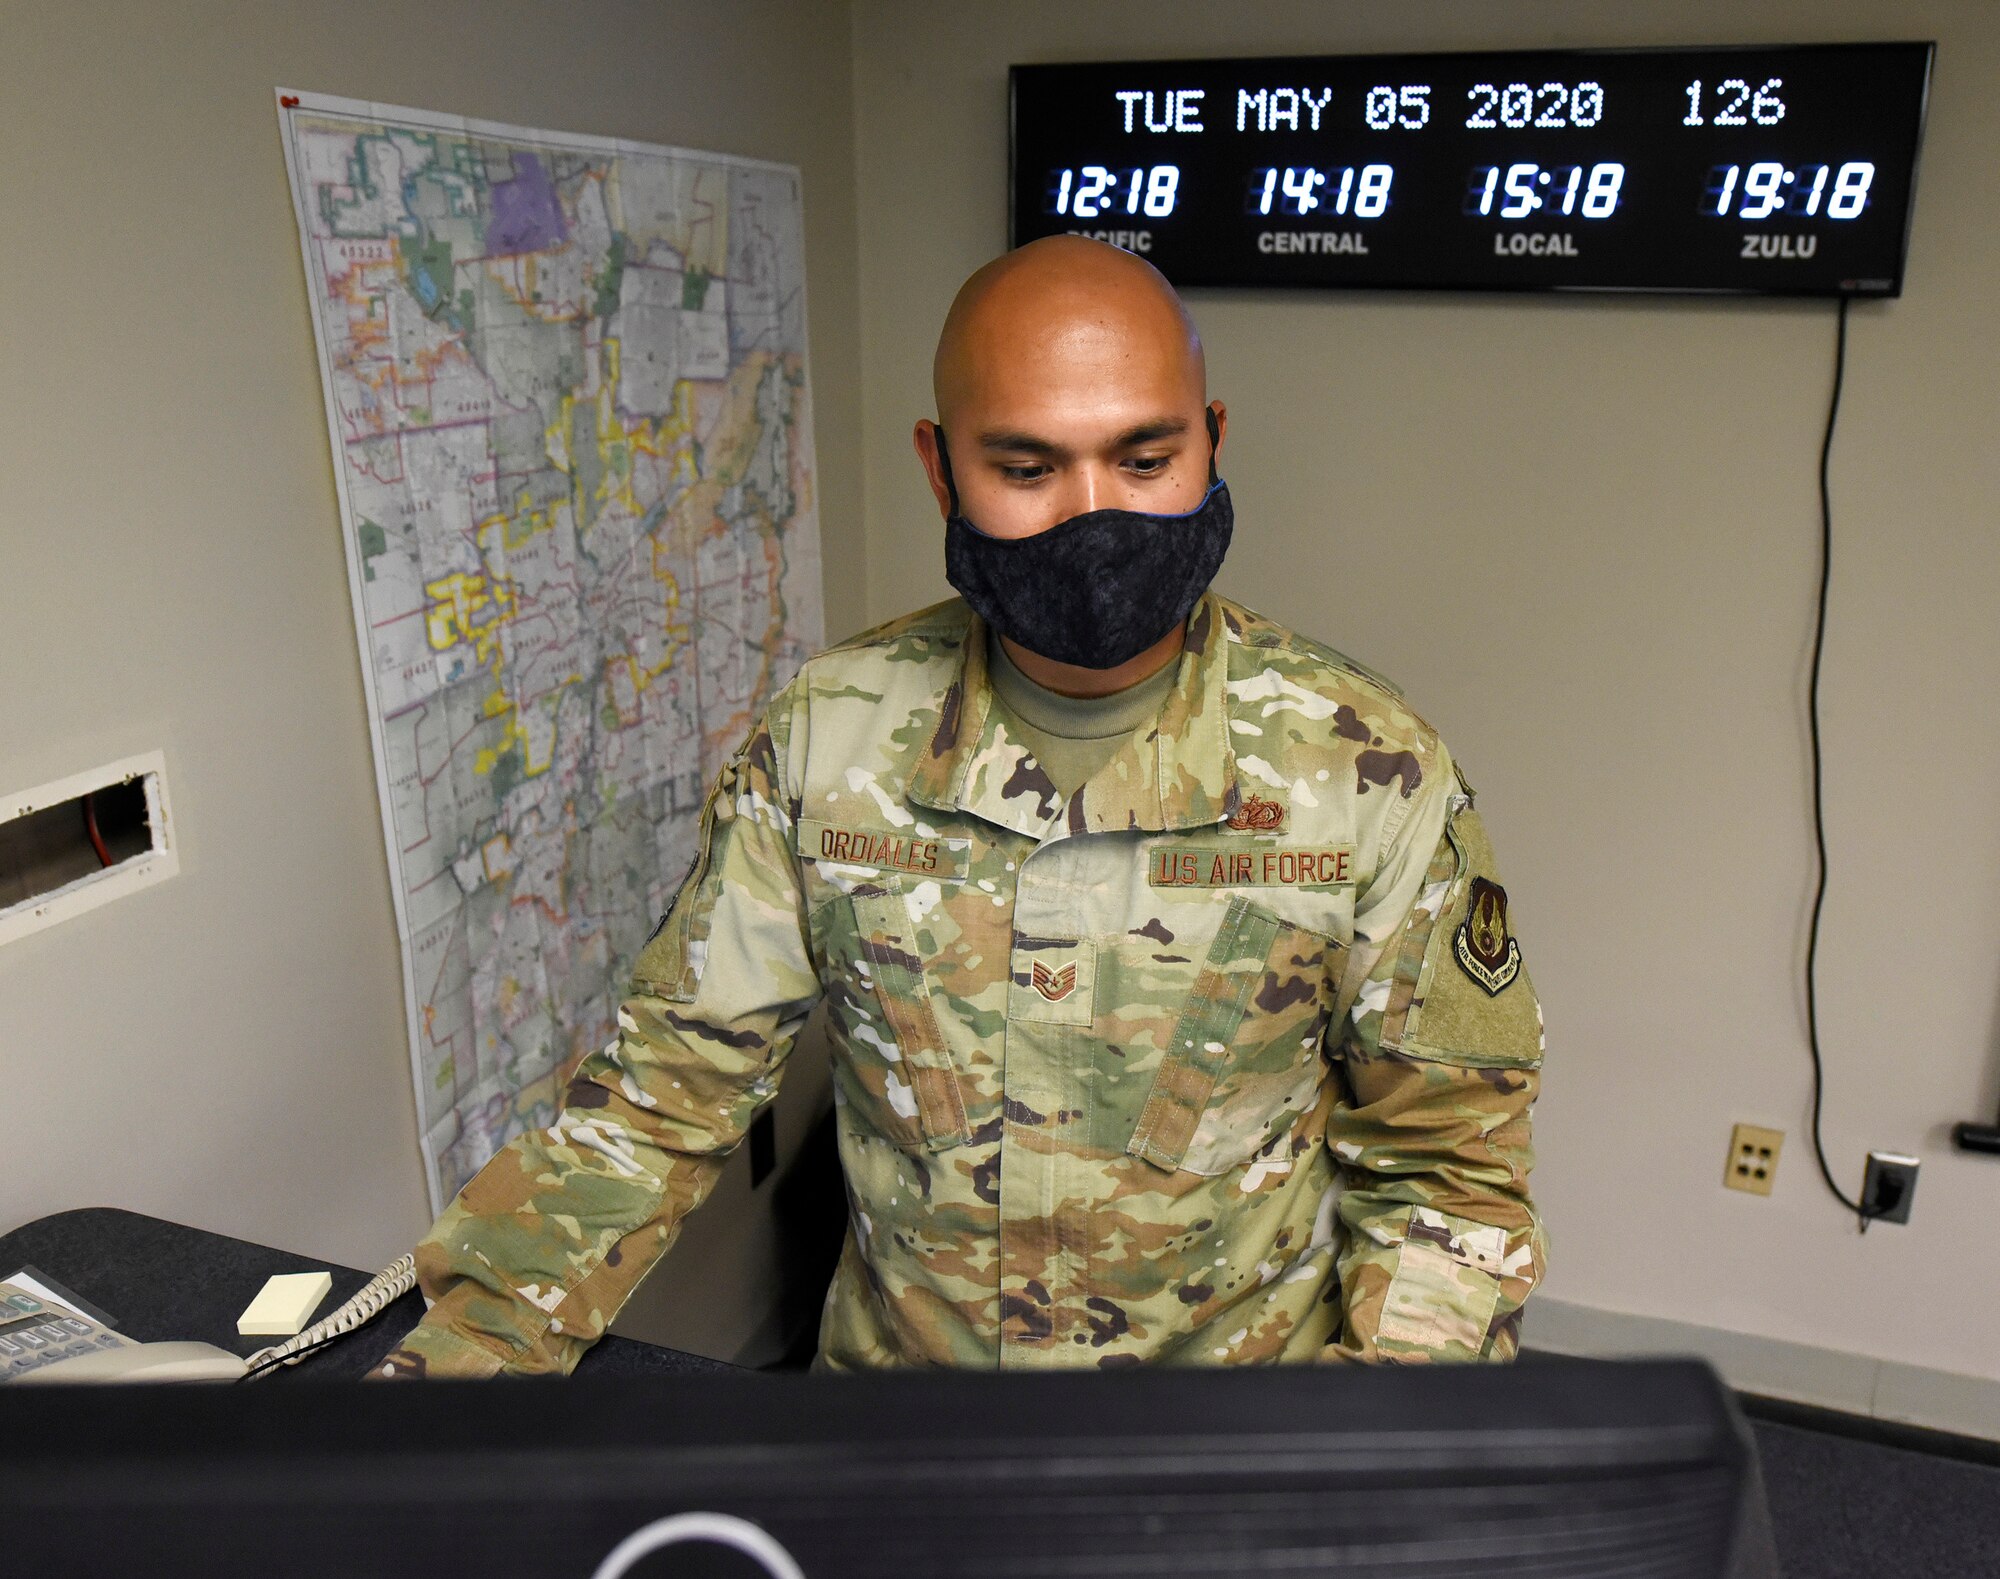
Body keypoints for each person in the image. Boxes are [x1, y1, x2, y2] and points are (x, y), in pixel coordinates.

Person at [382, 236, 1545, 1377]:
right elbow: (657, 1100)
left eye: (1145, 460)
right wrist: (459, 1370)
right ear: (940, 470)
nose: (1096, 520)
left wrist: (1381, 1468)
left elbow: (1443, 1167)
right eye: (1027, 469)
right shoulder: (829, 738)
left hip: (1221, 1465)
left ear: (1212, 441)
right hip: (904, 1449)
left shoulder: (1363, 763)